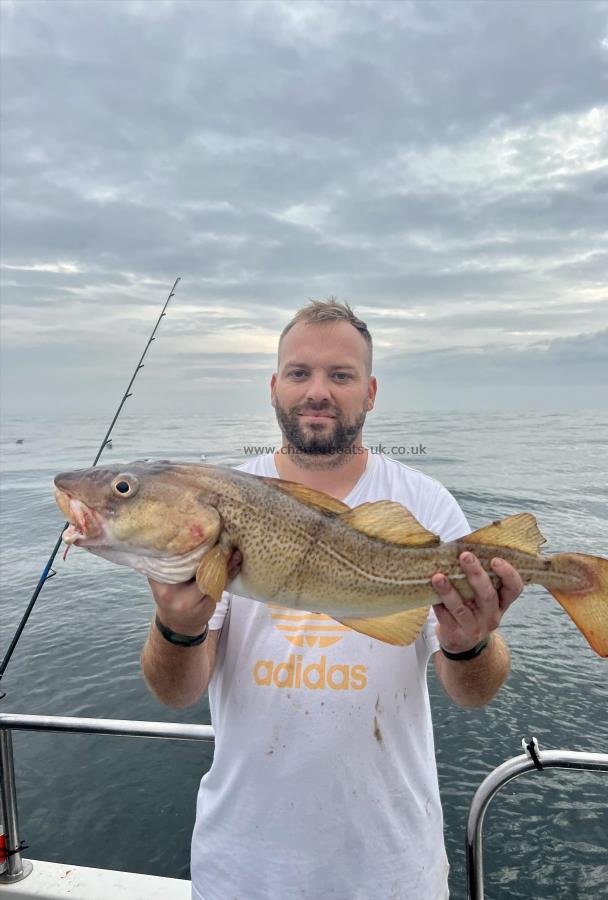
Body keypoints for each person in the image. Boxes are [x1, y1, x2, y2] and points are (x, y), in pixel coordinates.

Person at [141, 300, 523, 900]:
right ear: (273, 387)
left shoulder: (426, 504)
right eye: (299, 373)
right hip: (242, 870)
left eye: (340, 375)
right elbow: (175, 691)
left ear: (370, 392)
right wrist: (175, 627)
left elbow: (473, 694)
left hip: (392, 871)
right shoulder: (218, 504)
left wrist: (470, 642)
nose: (317, 391)